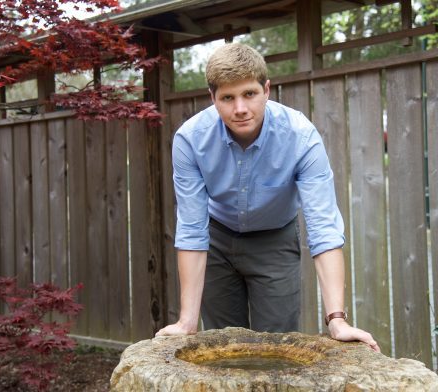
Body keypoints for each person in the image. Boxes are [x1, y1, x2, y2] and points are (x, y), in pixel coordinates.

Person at [156, 42, 379, 352]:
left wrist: (337, 319)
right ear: (213, 98)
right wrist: (186, 322)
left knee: (278, 350)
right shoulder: (190, 140)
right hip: (217, 241)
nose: (240, 109)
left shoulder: (301, 136)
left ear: (267, 90)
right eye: (227, 98)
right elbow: (192, 228)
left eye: (249, 93)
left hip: (275, 240)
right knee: (223, 351)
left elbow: (323, 228)